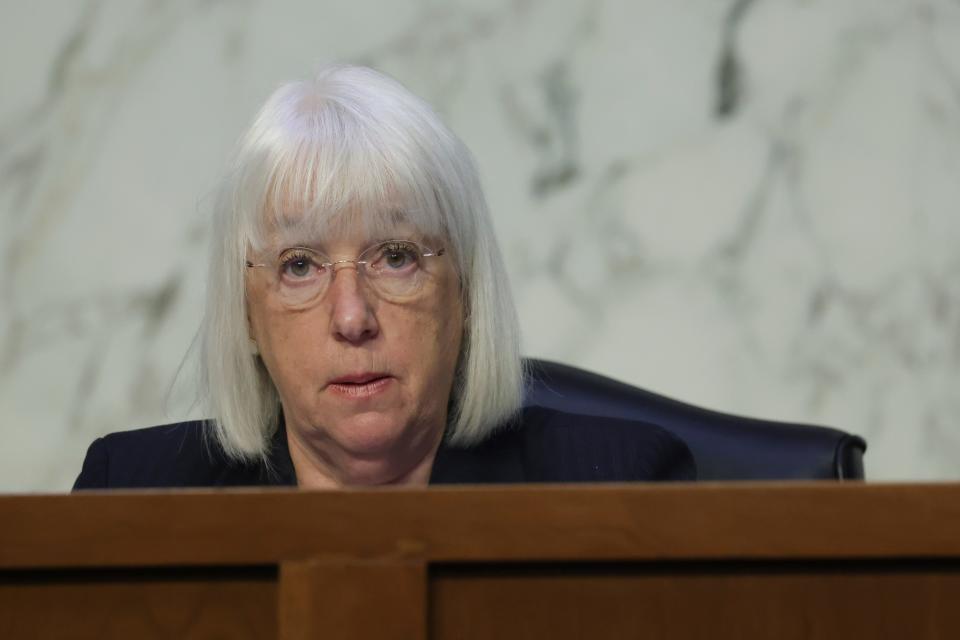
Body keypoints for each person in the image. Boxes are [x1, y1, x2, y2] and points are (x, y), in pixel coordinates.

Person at [73, 65, 695, 490]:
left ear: (468, 293)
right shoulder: (129, 491)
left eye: (396, 256)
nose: (351, 318)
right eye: (299, 266)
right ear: (246, 315)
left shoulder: (623, 485)